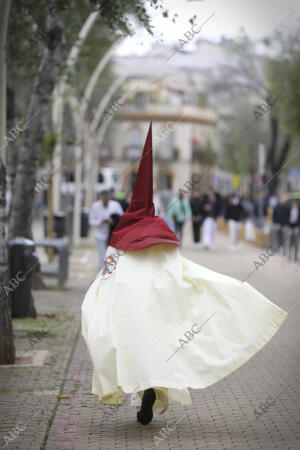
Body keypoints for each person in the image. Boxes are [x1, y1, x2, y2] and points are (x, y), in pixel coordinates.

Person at [82, 123, 287, 427]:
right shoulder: (160, 232)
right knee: (155, 346)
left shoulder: (122, 232)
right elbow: (176, 269)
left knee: (131, 346)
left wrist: (98, 300)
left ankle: (143, 394)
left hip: (127, 306)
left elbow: (109, 273)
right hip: (158, 303)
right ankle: (150, 391)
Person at [89, 190, 123, 270]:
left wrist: (113, 221)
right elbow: (91, 221)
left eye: (107, 199)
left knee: (111, 257)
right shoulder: (95, 206)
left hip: (112, 236)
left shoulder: (115, 205)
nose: (105, 202)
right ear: (101, 197)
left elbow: (121, 217)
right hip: (100, 235)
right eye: (104, 200)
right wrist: (100, 222)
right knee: (102, 258)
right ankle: (100, 279)